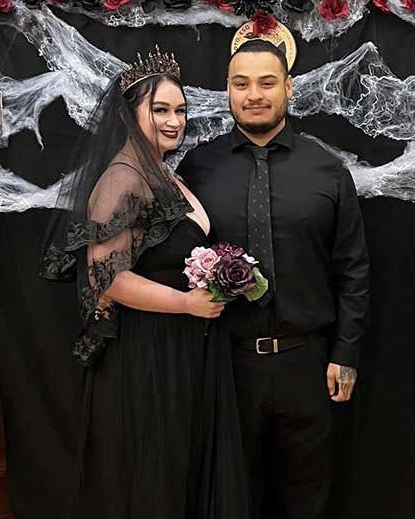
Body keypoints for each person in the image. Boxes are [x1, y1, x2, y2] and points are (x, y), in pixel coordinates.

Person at [39, 47, 248, 519]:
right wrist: (186, 303)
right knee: (157, 483)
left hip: (184, 348)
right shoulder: (122, 178)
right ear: (130, 115)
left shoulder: (161, 173)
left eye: (180, 111)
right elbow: (107, 279)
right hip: (149, 354)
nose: (174, 121)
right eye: (160, 110)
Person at [179, 38, 369, 519]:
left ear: (288, 87)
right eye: (241, 84)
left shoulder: (327, 170)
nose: (254, 95)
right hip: (225, 363)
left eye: (267, 83)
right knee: (229, 496)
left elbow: (352, 268)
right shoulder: (197, 168)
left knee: (308, 496)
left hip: (308, 363)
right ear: (227, 89)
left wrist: (346, 353)